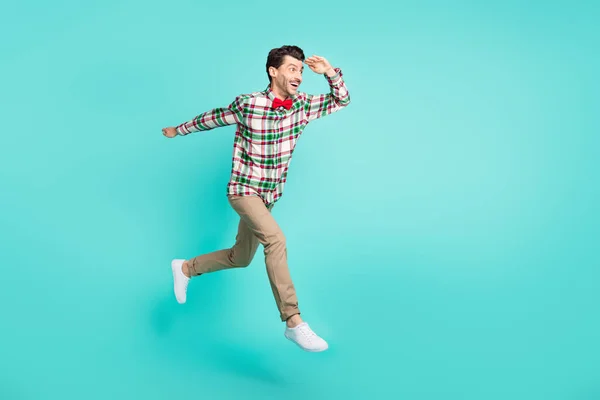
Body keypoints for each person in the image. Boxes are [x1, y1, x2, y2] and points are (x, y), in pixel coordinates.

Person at [161, 45, 350, 352]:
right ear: (273, 71)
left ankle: (186, 268)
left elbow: (341, 99)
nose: (299, 75)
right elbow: (212, 117)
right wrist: (177, 130)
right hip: (243, 188)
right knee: (275, 240)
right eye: (292, 68)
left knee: (241, 257)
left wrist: (329, 73)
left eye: (301, 70)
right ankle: (293, 321)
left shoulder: (302, 105)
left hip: (269, 195)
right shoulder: (248, 104)